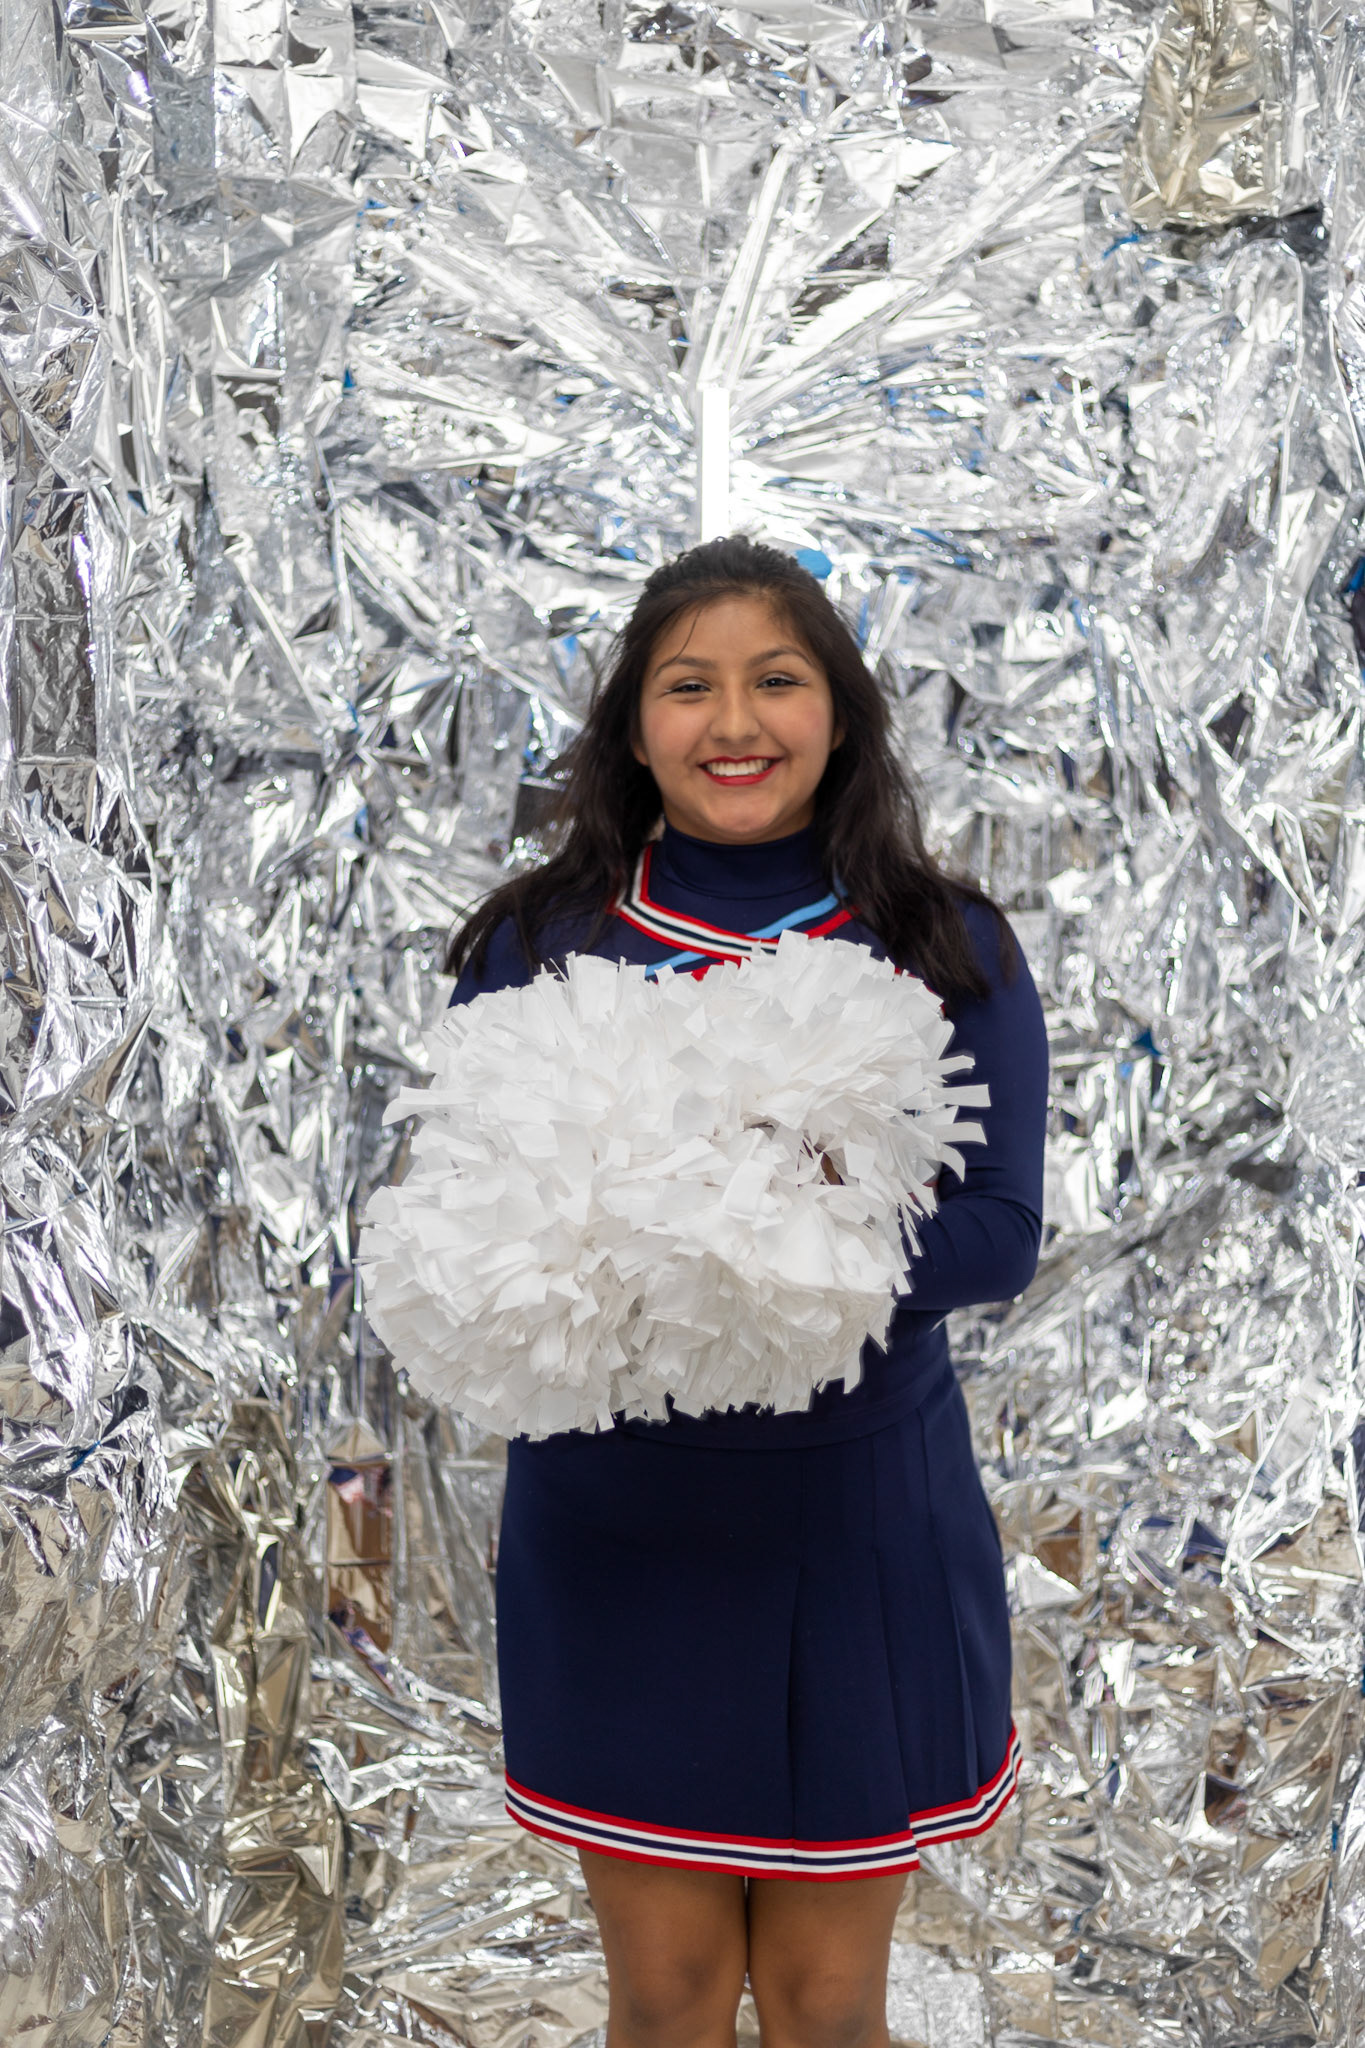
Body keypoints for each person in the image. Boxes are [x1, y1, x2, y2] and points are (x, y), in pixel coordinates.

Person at [444, 536, 1048, 2048]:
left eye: (776, 681)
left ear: (838, 715)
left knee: (827, 2005)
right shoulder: (538, 943)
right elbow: (465, 1226)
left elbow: (997, 1236)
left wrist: (751, 1243)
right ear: (632, 726)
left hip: (857, 1528)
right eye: (687, 685)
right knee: (663, 1998)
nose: (733, 723)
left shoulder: (943, 944)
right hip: (618, 1533)